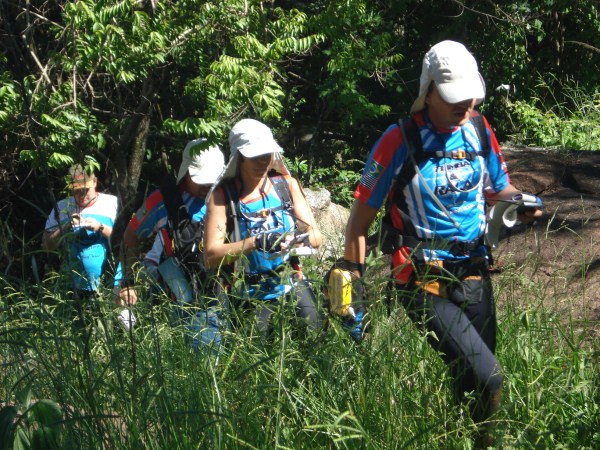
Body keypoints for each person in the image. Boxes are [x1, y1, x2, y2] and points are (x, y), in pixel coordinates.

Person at [337, 40, 543, 446]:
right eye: (453, 97)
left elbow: (498, 189)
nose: (464, 104)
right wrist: (352, 284)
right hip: (419, 278)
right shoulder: (398, 140)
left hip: (474, 272)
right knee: (491, 376)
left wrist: (520, 203)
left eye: (470, 95)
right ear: (428, 90)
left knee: (469, 379)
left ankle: (465, 439)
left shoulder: (480, 130)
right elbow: (358, 221)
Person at [203, 118, 324, 338]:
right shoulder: (223, 197)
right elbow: (210, 255)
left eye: (267, 155)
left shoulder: (286, 185)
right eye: (255, 156)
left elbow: (316, 237)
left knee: (314, 343)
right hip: (248, 294)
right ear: (239, 157)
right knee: (258, 364)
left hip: (291, 282)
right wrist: (255, 243)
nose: (263, 161)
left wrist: (296, 239)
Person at [119, 139, 225, 348]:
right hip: (177, 292)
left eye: (211, 180)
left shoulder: (225, 195)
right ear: (186, 171)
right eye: (201, 180)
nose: (207, 186)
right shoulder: (161, 201)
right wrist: (128, 283)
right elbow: (130, 238)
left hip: (222, 290)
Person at [42, 164, 119, 320]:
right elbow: (46, 245)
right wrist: (66, 226)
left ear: (95, 182)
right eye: (77, 191)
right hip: (70, 288)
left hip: (107, 284)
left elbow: (125, 240)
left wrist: (100, 227)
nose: (81, 194)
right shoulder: (63, 207)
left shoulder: (112, 203)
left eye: (85, 190)